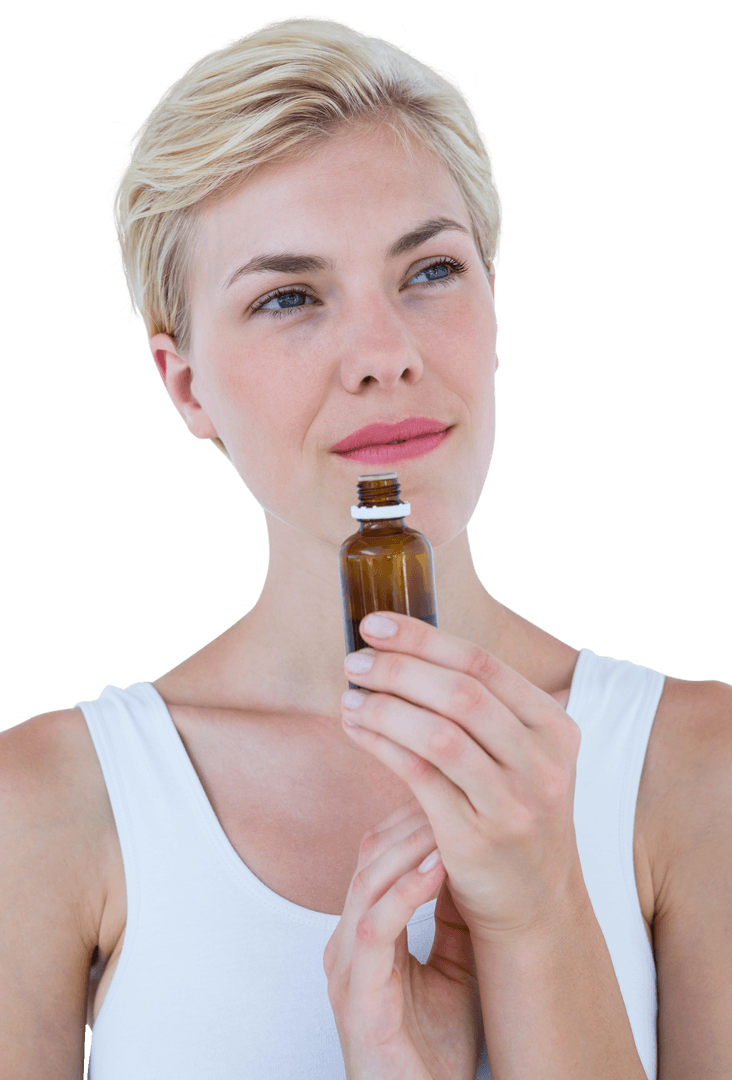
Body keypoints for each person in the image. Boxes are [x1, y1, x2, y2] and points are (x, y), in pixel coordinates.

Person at [1, 13, 730, 1080]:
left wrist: (543, 921)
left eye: (429, 271)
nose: (384, 354)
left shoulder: (697, 768)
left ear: (494, 305)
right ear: (185, 383)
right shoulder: (47, 805)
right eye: (289, 297)